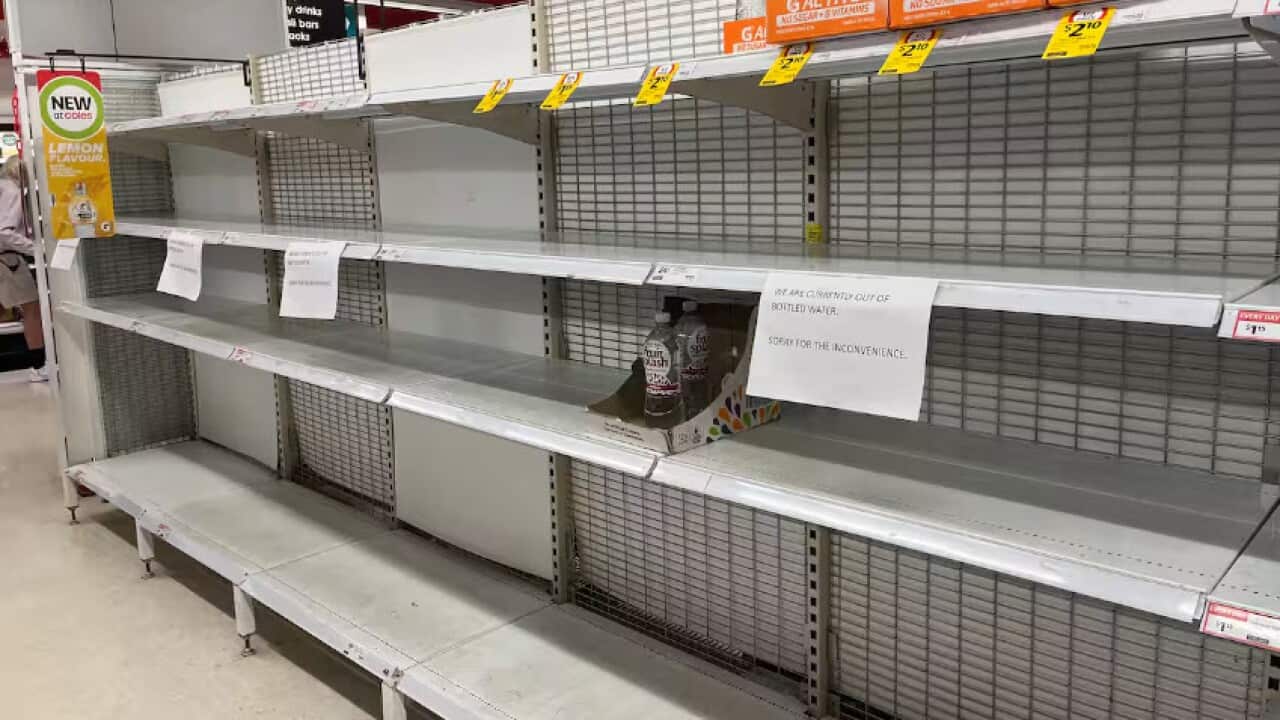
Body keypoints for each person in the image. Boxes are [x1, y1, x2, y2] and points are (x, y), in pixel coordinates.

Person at [0, 155, 46, 382]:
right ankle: (38, 365)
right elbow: (5, 232)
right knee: (32, 310)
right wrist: (36, 249)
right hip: (9, 261)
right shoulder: (13, 192)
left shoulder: (3, 188)